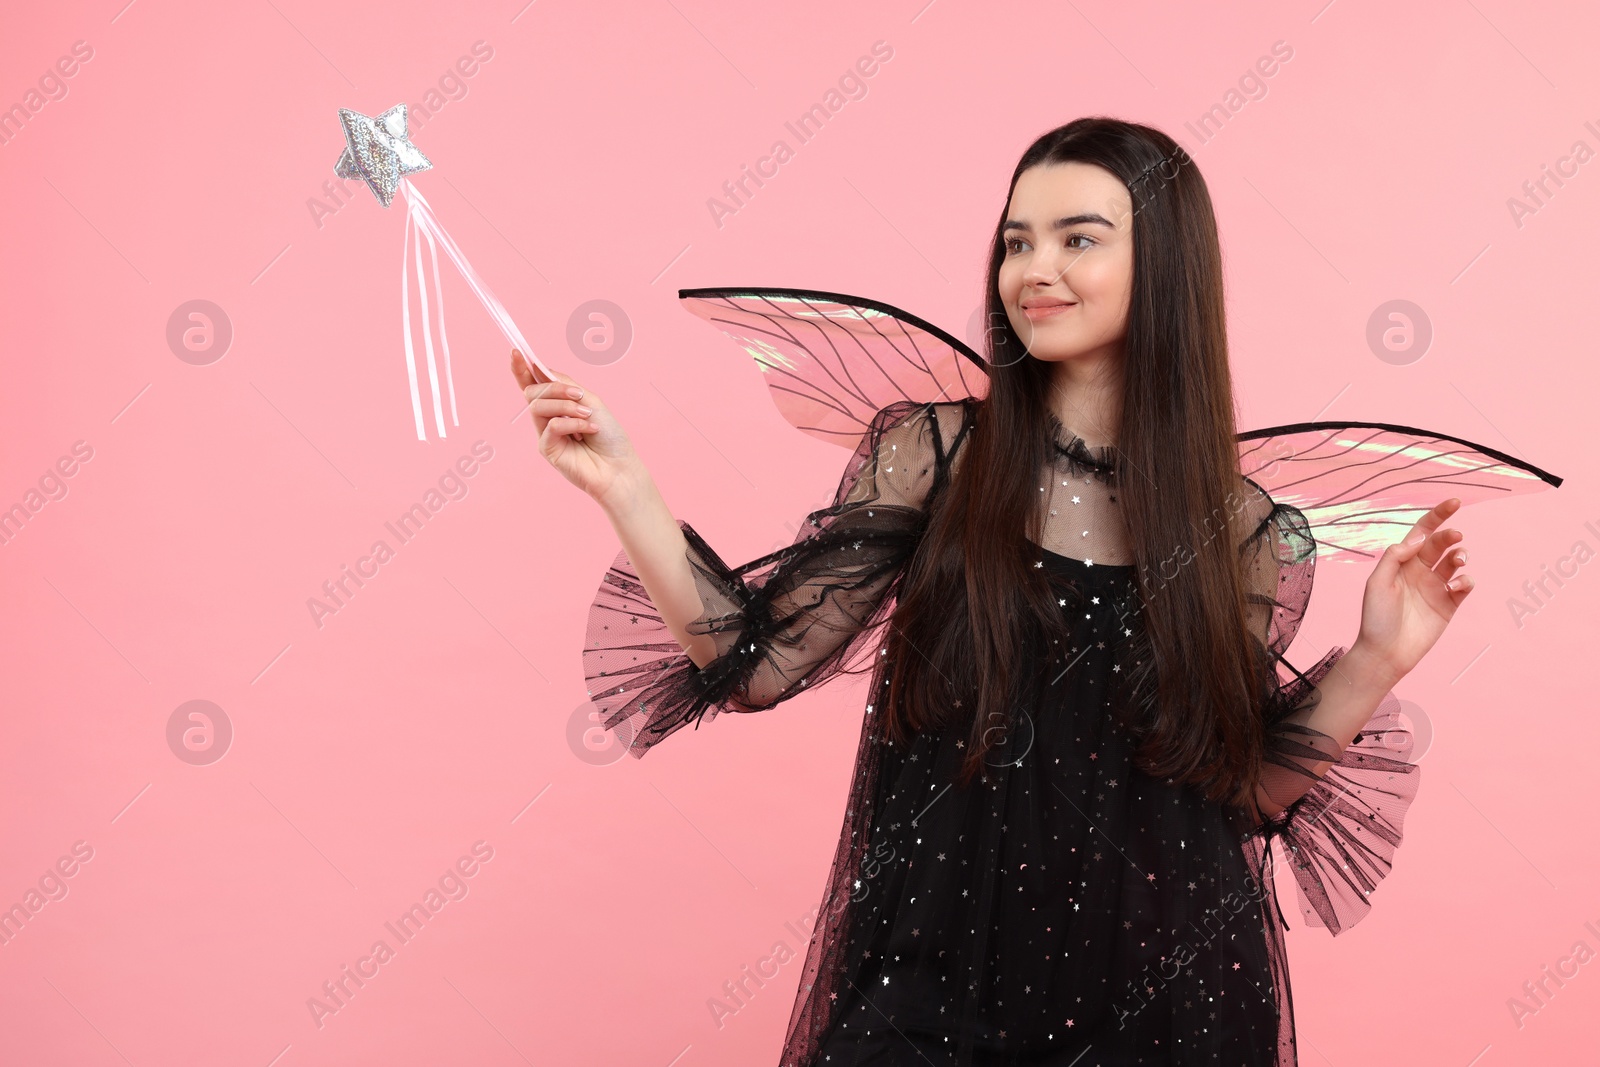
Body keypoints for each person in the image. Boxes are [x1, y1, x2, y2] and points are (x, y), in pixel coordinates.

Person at [512, 118, 1463, 1065]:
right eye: (1016, 242)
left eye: (1077, 238)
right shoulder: (940, 457)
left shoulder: (1240, 531)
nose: (1032, 269)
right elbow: (751, 665)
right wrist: (626, 490)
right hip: (933, 999)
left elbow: (1238, 796)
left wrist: (1380, 654)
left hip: (1169, 1013)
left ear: (1166, 265)